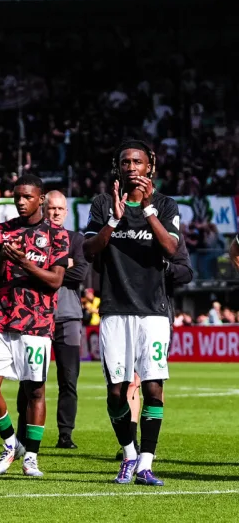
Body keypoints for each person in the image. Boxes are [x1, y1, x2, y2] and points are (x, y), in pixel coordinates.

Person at [83, 140, 180, 486]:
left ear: (149, 165)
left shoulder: (166, 205)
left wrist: (149, 209)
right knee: (115, 392)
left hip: (153, 311)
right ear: (117, 168)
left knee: (153, 387)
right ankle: (128, 453)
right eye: (125, 162)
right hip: (114, 309)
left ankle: (145, 464)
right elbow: (89, 249)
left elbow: (172, 247)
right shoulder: (101, 203)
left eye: (137, 162)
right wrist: (114, 218)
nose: (131, 168)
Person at [0, 175, 70, 478]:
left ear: (41, 198)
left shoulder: (56, 235)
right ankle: (10, 445)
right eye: (17, 196)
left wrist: (25, 263)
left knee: (35, 390)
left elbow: (56, 280)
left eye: (27, 197)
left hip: (37, 321)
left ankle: (31, 456)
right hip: (1, 318)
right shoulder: (1, 231)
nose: (20, 202)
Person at [35, 191, 87, 449]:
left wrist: (45, 267)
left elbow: (79, 272)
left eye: (60, 209)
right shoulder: (34, 237)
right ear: (43, 209)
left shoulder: (76, 239)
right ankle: (27, 431)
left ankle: (65, 434)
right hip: (37, 316)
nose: (55, 213)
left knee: (69, 379)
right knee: (33, 378)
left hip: (68, 317)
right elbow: (27, 269)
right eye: (50, 208)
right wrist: (62, 263)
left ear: (66, 212)